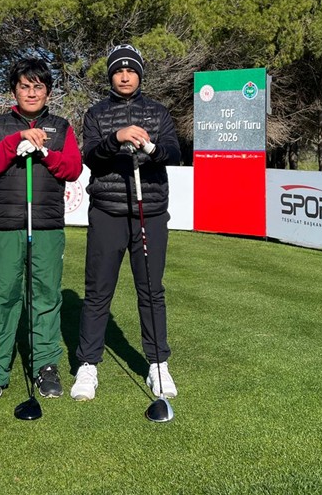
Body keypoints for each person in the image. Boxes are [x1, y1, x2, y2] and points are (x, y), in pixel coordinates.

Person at [70, 44, 181, 401]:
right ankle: (88, 364)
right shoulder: (96, 113)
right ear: (111, 76)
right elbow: (91, 156)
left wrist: (149, 148)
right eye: (118, 70)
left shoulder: (158, 112)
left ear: (139, 75)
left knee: (151, 290)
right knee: (98, 291)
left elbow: (174, 153)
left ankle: (158, 364)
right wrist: (115, 138)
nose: (124, 76)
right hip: (107, 212)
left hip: (150, 212)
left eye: (131, 70)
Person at [0, 58, 82, 400]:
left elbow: (73, 170)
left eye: (38, 87)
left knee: (45, 297)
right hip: (6, 226)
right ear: (14, 91)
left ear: (48, 91)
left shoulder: (61, 127)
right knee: (1, 298)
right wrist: (16, 140)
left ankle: (45, 367)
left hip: (47, 225)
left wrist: (46, 153)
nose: (31, 93)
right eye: (25, 86)